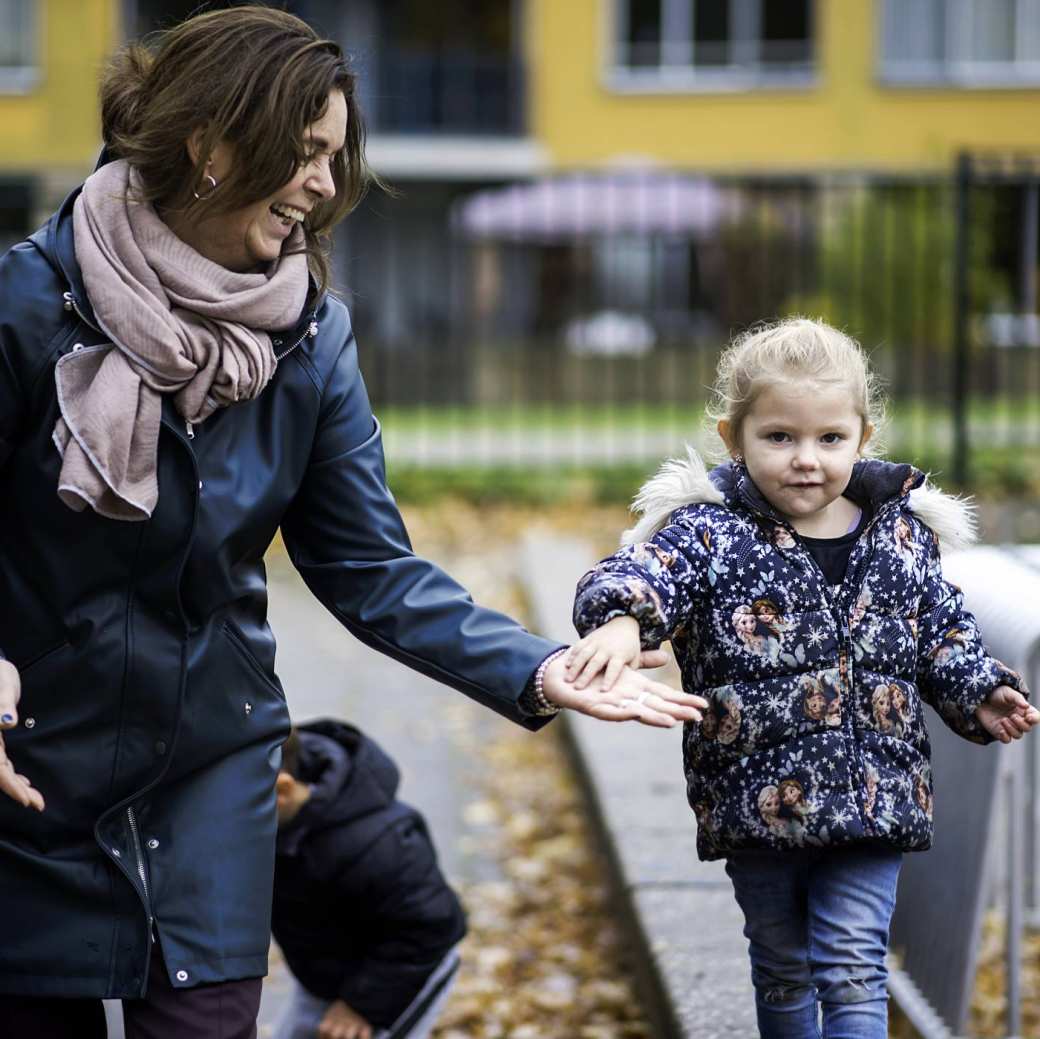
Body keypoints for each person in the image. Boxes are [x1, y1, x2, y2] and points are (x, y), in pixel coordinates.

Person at [0, 8, 706, 1037]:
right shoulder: (27, 303)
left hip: (208, 769)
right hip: (26, 775)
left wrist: (533, 667)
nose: (326, 187)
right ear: (210, 144)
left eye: (335, 157)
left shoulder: (309, 341)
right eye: (308, 153)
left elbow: (370, 567)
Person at [562, 317, 1040, 1038]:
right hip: (757, 801)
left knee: (852, 962)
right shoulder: (710, 533)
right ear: (733, 438)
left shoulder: (899, 533)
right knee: (782, 963)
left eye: (829, 439)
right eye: (779, 437)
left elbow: (941, 630)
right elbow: (644, 571)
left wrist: (978, 689)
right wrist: (625, 620)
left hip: (872, 798)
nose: (806, 459)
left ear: (863, 437)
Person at [271, 722, 464, 1039]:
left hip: (402, 973)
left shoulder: (378, 846)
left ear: (283, 791)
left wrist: (361, 1004)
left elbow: (432, 925)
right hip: (326, 966)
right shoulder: (270, 817)